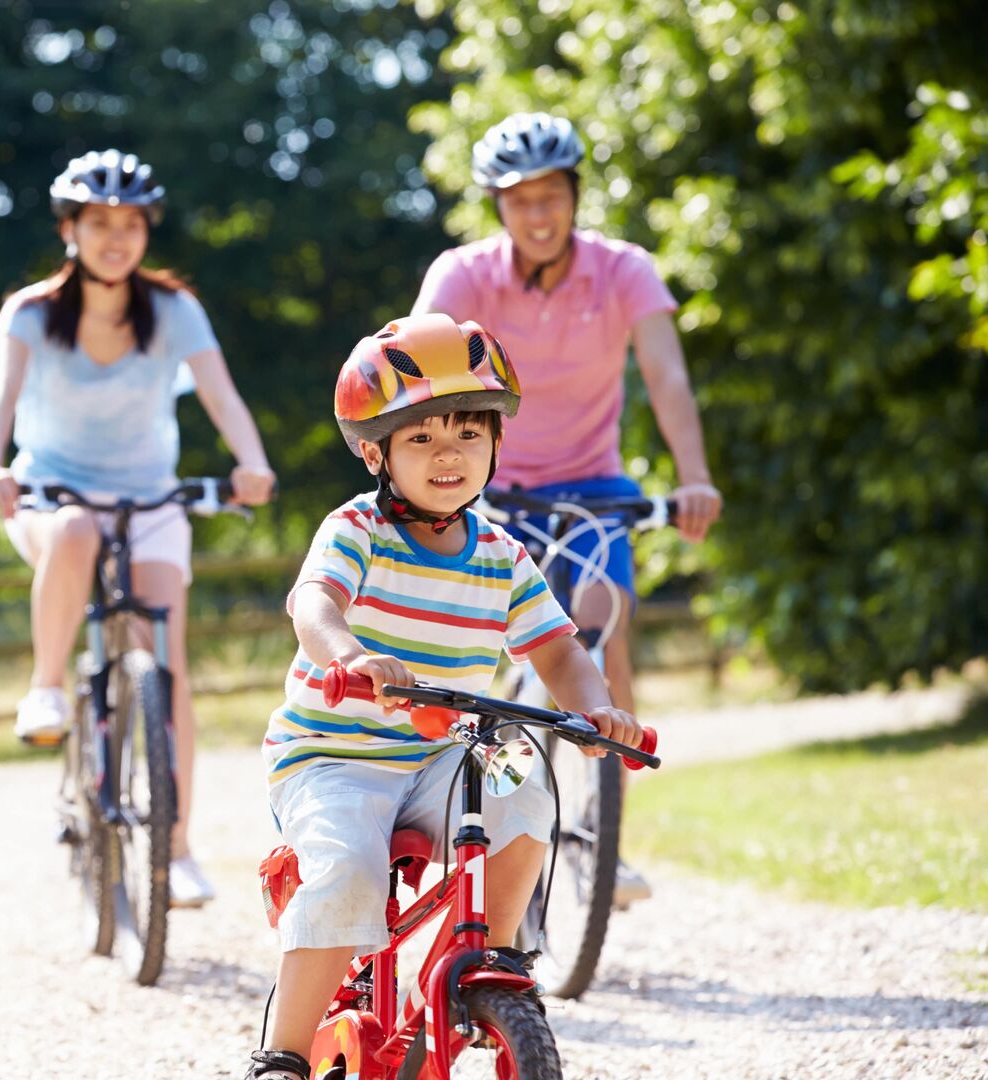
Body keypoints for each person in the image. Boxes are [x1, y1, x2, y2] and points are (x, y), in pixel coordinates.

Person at [244, 313, 643, 1080]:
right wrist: (352, 655)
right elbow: (313, 605)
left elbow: (559, 648)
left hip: (443, 754)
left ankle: (490, 959)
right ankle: (283, 1055)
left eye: (467, 433)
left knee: (525, 784)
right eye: (421, 438)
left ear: (496, 443)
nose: (448, 454)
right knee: (347, 871)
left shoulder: (502, 555)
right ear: (376, 452)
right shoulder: (355, 528)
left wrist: (594, 708)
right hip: (335, 756)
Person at [411, 111, 722, 905]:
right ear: (497, 207)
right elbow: (419, 367)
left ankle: (600, 834)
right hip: (492, 488)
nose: (539, 214)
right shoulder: (465, 274)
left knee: (599, 615)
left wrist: (693, 476)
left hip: (592, 486)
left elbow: (668, 379)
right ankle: (502, 810)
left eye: (552, 196)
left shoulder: (623, 271)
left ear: (575, 196)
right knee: (490, 660)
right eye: (521, 200)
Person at [0, 149, 275, 908]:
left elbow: (223, 396)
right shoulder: (32, 313)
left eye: (131, 225)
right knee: (73, 533)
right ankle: (45, 689)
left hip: (149, 501)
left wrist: (252, 460)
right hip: (51, 495)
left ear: (146, 233)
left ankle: (175, 850)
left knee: (164, 662)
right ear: (70, 229)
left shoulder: (173, 310)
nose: (116, 238)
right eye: (99, 223)